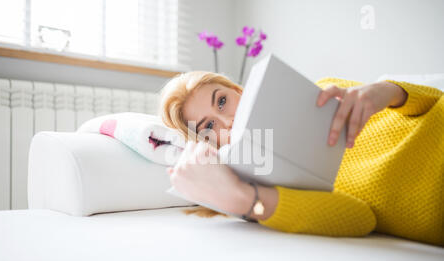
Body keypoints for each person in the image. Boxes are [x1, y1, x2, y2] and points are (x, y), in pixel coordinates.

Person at [159, 71, 444, 247]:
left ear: (238, 92)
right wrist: (242, 198)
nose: (228, 120)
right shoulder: (265, 183)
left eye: (222, 101)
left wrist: (390, 90)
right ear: (208, 142)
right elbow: (359, 219)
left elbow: (432, 102)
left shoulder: (319, 90)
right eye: (209, 126)